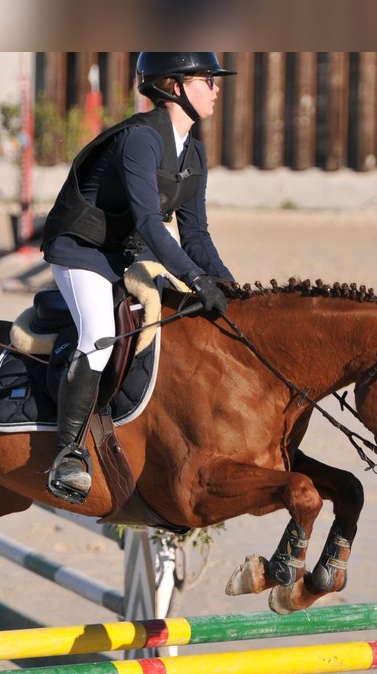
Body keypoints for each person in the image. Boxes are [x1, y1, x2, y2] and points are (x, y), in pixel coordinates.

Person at [39, 52, 238, 504]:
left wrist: (227, 286)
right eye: (207, 79)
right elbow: (151, 223)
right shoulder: (140, 140)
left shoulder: (194, 152)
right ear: (173, 86)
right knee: (99, 333)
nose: (216, 87)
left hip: (126, 251)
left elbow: (196, 235)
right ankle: (67, 454)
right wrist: (192, 277)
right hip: (80, 249)